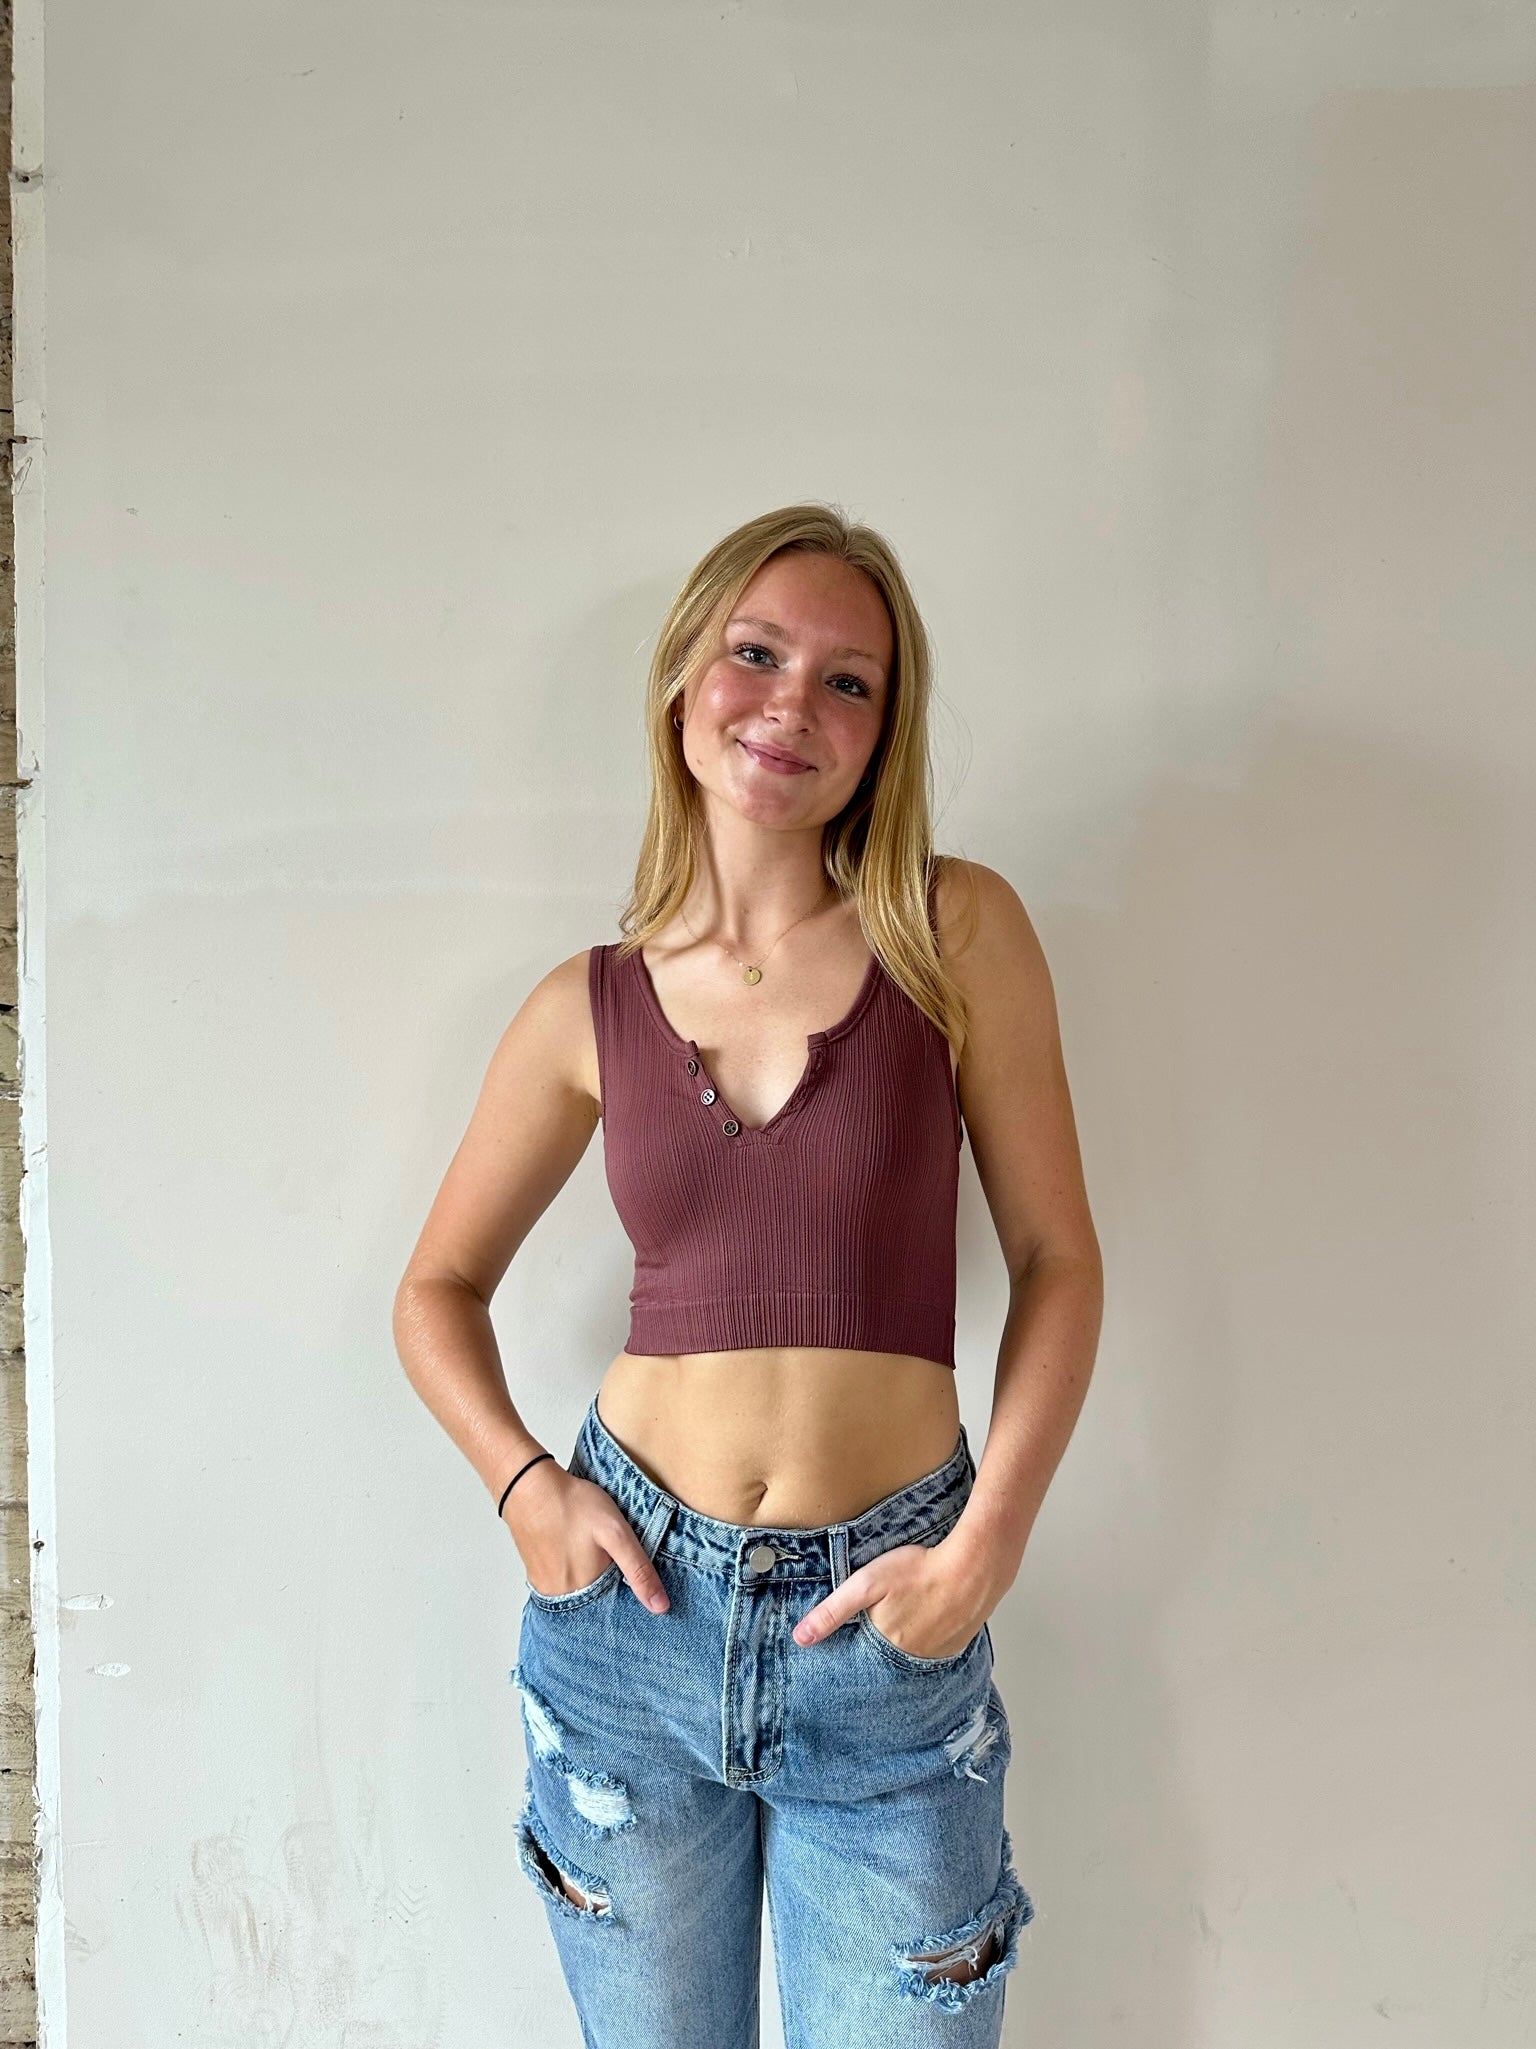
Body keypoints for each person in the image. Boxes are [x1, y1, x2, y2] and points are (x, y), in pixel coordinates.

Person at [392, 502, 1103, 2046]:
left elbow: (1058, 1258)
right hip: (627, 1628)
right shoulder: (587, 1004)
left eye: (850, 681)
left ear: (886, 732)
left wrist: (987, 1543)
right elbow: (435, 1286)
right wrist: (526, 1489)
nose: (794, 704)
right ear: (683, 683)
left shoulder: (953, 932)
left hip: (886, 1631)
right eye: (758, 653)